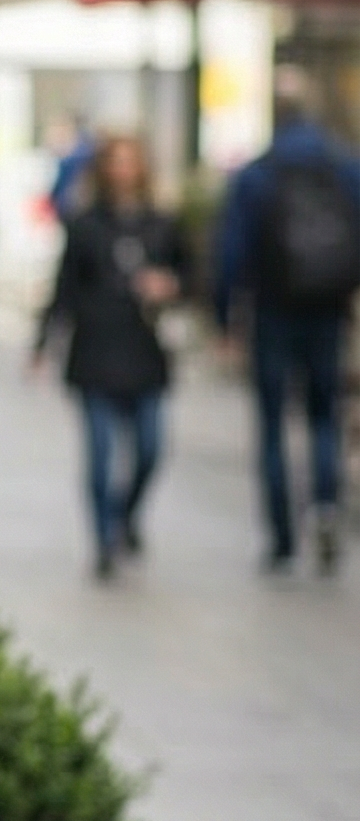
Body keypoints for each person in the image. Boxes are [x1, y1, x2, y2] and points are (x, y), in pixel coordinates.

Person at [213, 66, 360, 575]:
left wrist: (224, 316)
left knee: (273, 423)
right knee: (324, 416)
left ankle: (281, 536)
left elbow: (231, 252)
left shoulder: (258, 173)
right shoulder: (344, 167)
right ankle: (325, 505)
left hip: (273, 310)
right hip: (328, 308)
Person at [33, 131, 185, 579]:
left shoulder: (162, 223)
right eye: (114, 161)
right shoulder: (85, 225)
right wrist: (42, 343)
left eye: (129, 161)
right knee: (100, 455)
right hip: (96, 350)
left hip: (145, 350)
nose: (122, 170)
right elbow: (63, 287)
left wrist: (169, 285)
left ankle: (125, 515)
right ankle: (103, 540)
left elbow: (190, 276)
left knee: (150, 449)